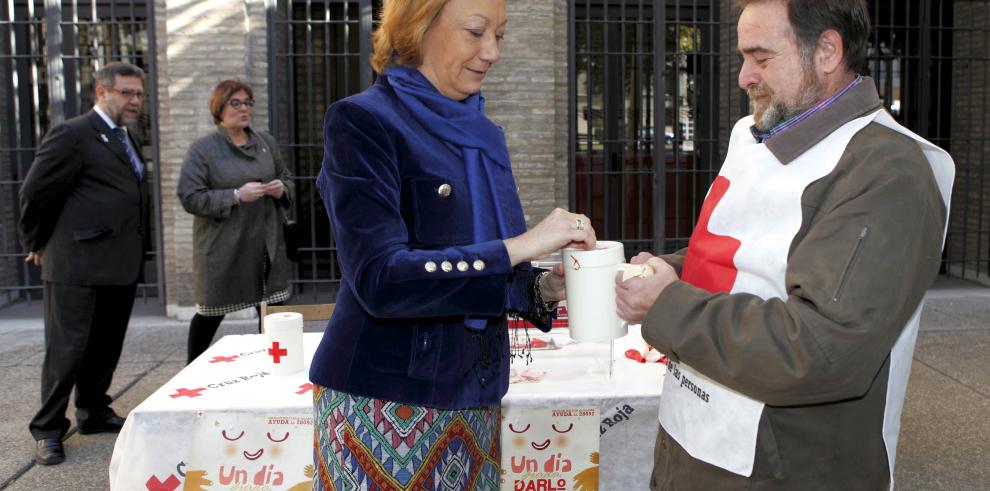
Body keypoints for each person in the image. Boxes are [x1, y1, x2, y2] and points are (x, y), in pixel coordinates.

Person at [614, 0, 954, 488]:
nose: (744, 77)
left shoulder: (885, 172)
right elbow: (745, 256)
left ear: (828, 51)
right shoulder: (763, 135)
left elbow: (820, 350)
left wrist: (667, 304)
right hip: (697, 444)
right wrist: (651, 273)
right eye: (743, 58)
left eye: (762, 57)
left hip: (784, 470)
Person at [310, 0, 596, 489]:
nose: (492, 52)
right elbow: (381, 280)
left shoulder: (482, 134)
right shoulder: (361, 122)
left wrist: (545, 288)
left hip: (477, 400)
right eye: (476, 31)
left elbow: (479, 276)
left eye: (499, 36)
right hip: (383, 401)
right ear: (418, 28)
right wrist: (520, 245)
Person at [19, 61, 150, 465]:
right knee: (67, 351)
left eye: (139, 94)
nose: (134, 101)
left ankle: (93, 411)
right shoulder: (73, 134)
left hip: (118, 262)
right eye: (126, 93)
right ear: (102, 92)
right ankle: (47, 429)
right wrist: (36, 242)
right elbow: (35, 192)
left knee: (105, 345)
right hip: (76, 263)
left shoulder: (126, 136)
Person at [177, 80, 294, 364]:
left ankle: (270, 368)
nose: (244, 109)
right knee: (209, 314)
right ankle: (192, 370)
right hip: (223, 247)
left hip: (266, 243)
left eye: (248, 103)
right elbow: (189, 196)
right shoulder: (203, 150)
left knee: (271, 314)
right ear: (219, 108)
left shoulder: (266, 143)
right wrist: (235, 196)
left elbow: (287, 177)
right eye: (236, 103)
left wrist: (282, 188)